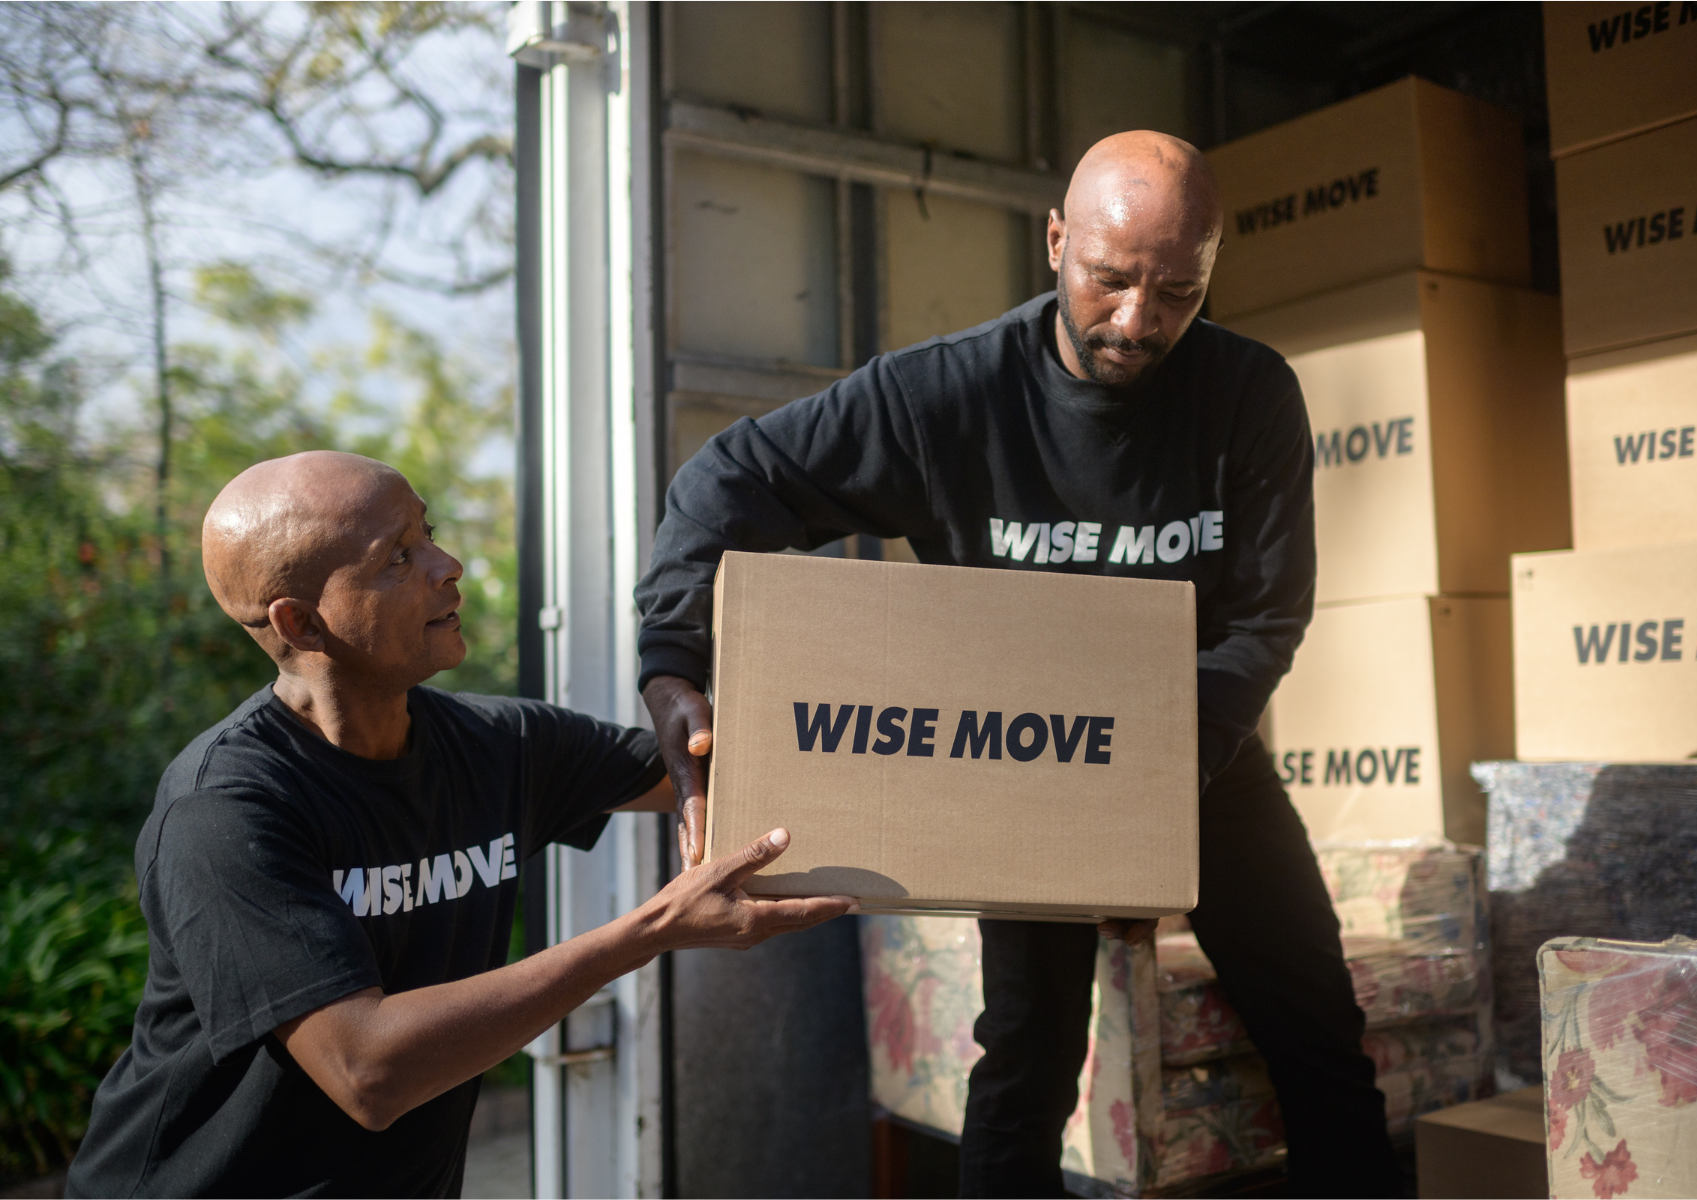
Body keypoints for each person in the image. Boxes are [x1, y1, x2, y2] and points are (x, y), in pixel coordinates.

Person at [633, 132, 1402, 1197]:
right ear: (1056, 243)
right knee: (1028, 1054)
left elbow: (1265, 621)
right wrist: (672, 658)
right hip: (1024, 760)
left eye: (1178, 291)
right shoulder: (944, 398)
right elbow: (730, 479)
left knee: (1319, 1031)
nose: (1139, 321)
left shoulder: (1250, 396)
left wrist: (1151, 803)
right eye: (1112, 279)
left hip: (1196, 748)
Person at [67, 451, 853, 1198]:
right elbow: (368, 1071)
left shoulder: (499, 746)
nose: (449, 567)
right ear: (302, 623)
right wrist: (648, 930)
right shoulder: (225, 811)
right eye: (398, 558)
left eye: (429, 533)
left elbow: (717, 773)